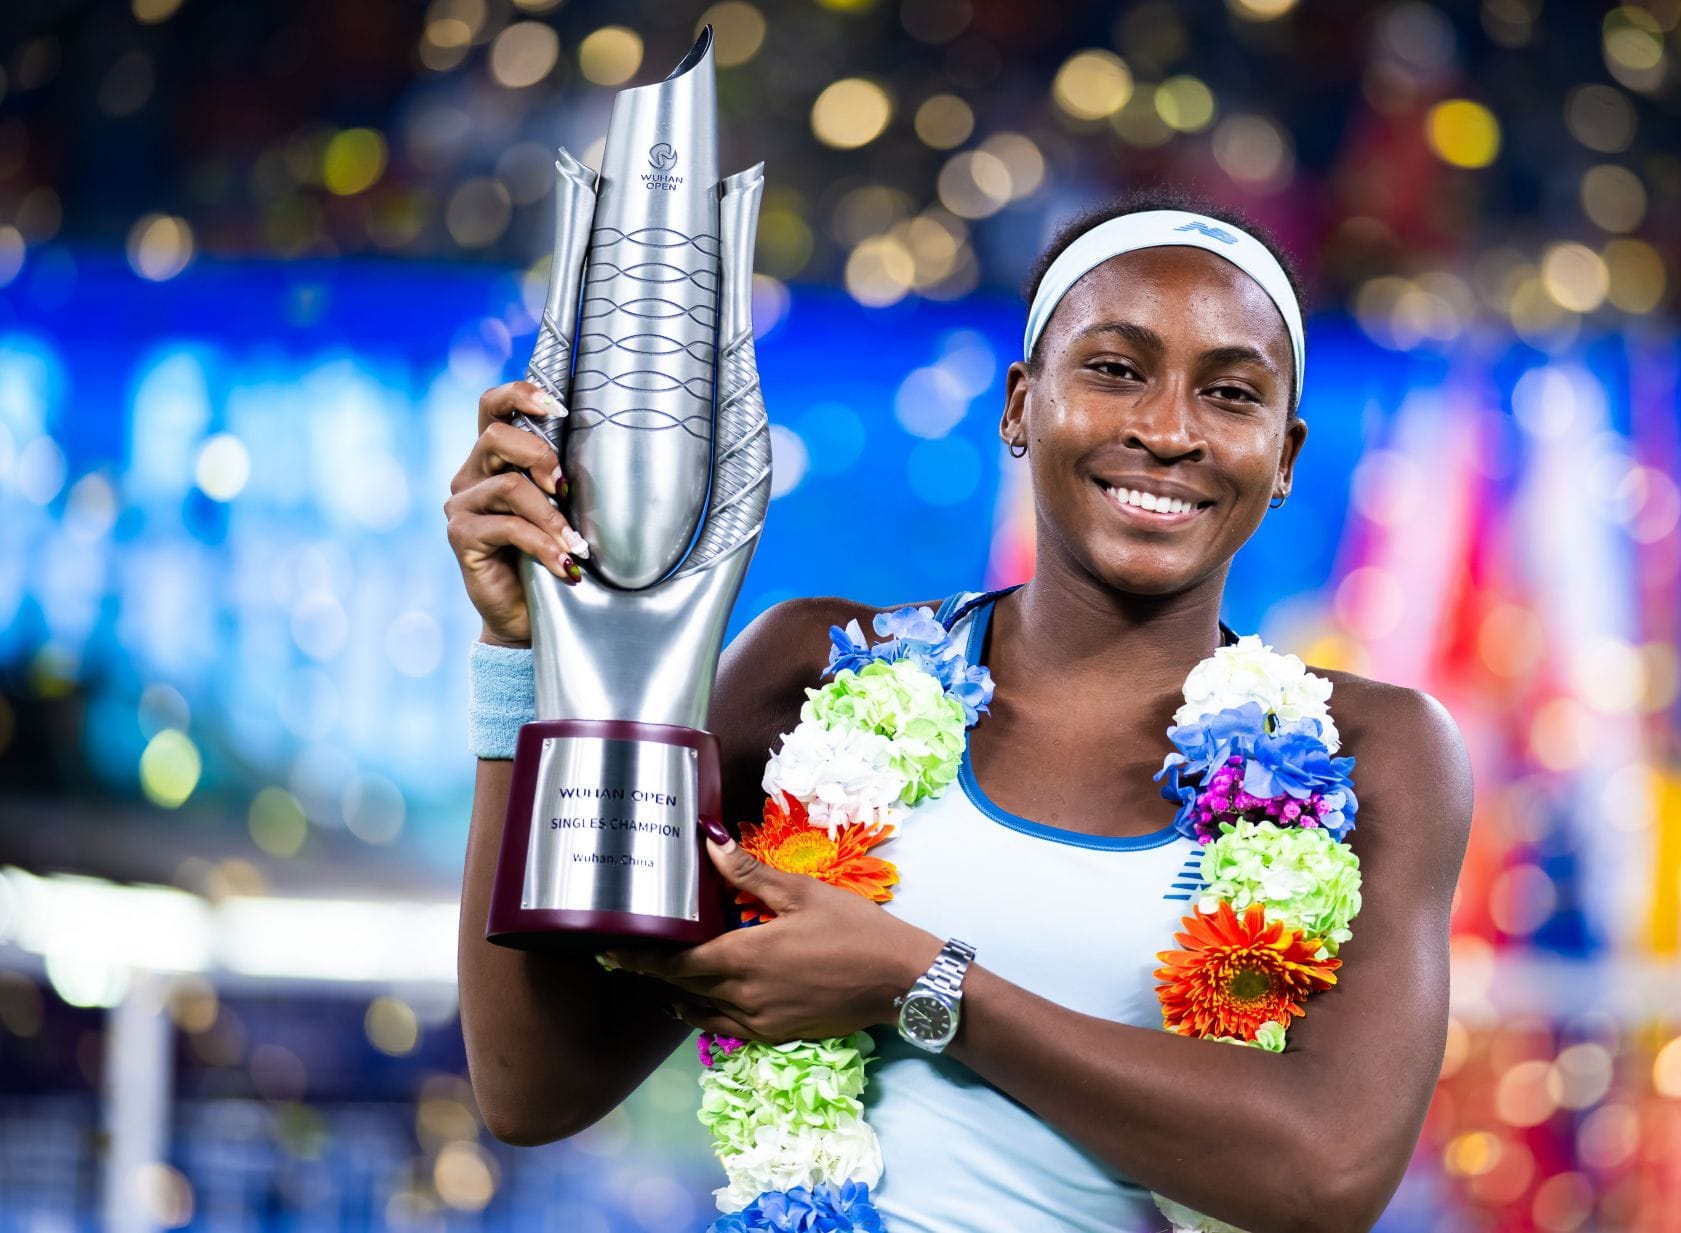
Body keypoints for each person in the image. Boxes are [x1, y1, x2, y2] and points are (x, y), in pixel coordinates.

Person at [444, 186, 1473, 1233]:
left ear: (1287, 456)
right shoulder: (820, 672)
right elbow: (536, 1085)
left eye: (1232, 394)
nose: (1169, 431)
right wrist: (520, 661)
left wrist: (916, 983)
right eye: (1115, 370)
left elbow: (1327, 1175)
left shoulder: (1374, 752)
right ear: (1021, 404)